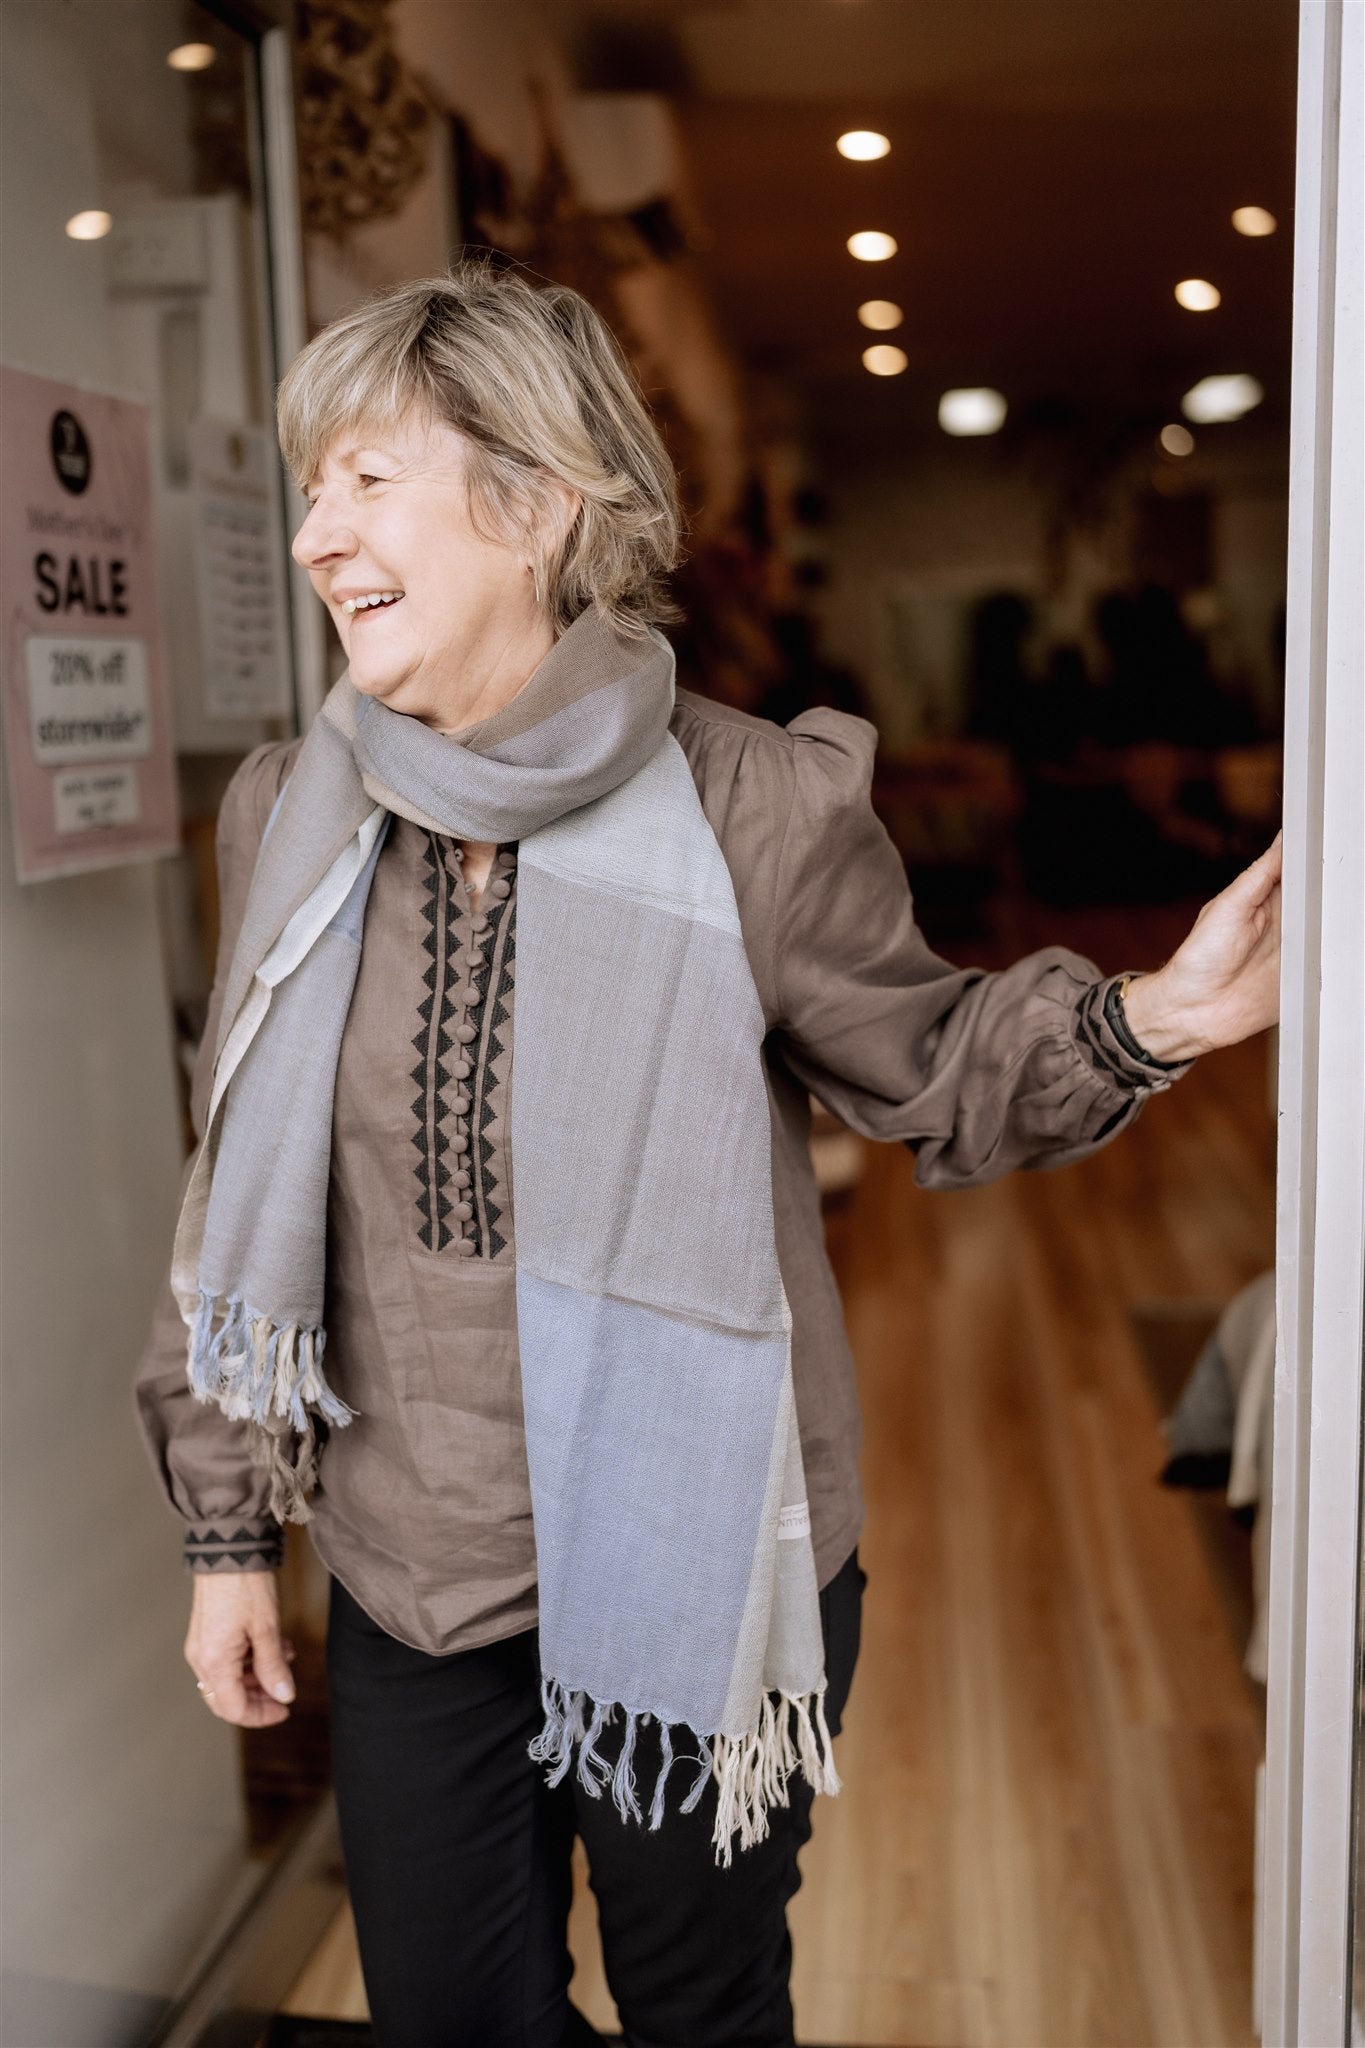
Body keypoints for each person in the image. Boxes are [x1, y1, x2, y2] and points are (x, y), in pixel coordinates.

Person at [133, 263, 1283, 2048]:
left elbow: (932, 1069)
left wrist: (1158, 1015)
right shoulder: (290, 812)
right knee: (451, 2014)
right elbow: (235, 1206)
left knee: (700, 2004)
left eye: (366, 482)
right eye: (309, 487)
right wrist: (226, 1542)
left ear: (538, 498)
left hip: (688, 1551)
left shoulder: (751, 801)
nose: (311, 536)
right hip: (407, 1566)